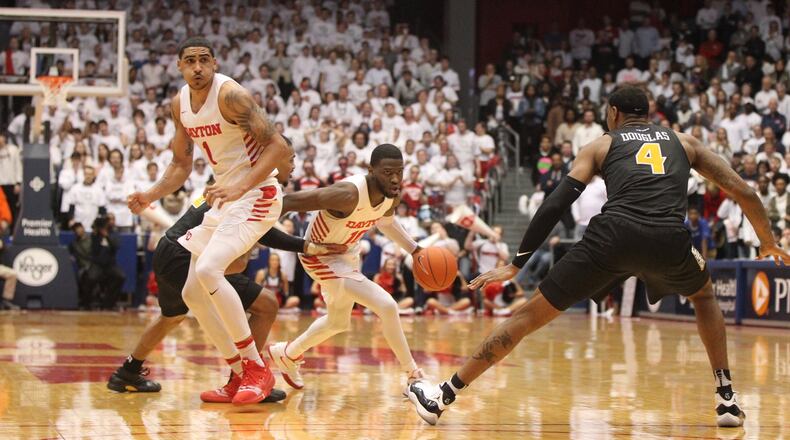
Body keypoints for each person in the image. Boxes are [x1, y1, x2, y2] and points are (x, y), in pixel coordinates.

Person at [408, 86, 789, 427]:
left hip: (612, 237)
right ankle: (725, 398)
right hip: (667, 238)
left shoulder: (602, 145)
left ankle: (443, 395)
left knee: (526, 317)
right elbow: (744, 192)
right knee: (704, 296)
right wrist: (767, 242)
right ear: (650, 111)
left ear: (612, 113)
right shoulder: (684, 141)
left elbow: (557, 201)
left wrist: (518, 262)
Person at [127, 37, 291, 405]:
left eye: (204, 60)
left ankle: (255, 368)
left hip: (259, 193)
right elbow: (181, 164)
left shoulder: (231, 95)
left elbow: (279, 147)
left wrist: (239, 186)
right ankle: (237, 375)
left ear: (214, 64)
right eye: (190, 61)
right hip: (227, 199)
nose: (198, 67)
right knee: (191, 294)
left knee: (210, 270)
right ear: (179, 67)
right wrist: (150, 195)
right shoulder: (179, 105)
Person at [107, 184, 345, 399]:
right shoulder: (251, 185)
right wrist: (306, 246)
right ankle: (247, 378)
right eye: (288, 158)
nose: (291, 165)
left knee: (171, 317)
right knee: (266, 305)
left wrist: (305, 247)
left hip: (169, 249)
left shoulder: (233, 180)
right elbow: (261, 233)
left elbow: (261, 229)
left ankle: (127, 372)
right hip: (186, 254)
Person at [267, 144, 427, 392]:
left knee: (338, 322)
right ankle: (413, 374)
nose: (395, 178)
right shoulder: (347, 193)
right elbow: (286, 202)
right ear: (371, 170)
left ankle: (287, 354)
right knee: (387, 305)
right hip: (318, 256)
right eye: (387, 172)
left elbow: (386, 223)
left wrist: (415, 250)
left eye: (400, 171)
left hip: (348, 254)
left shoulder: (392, 193)